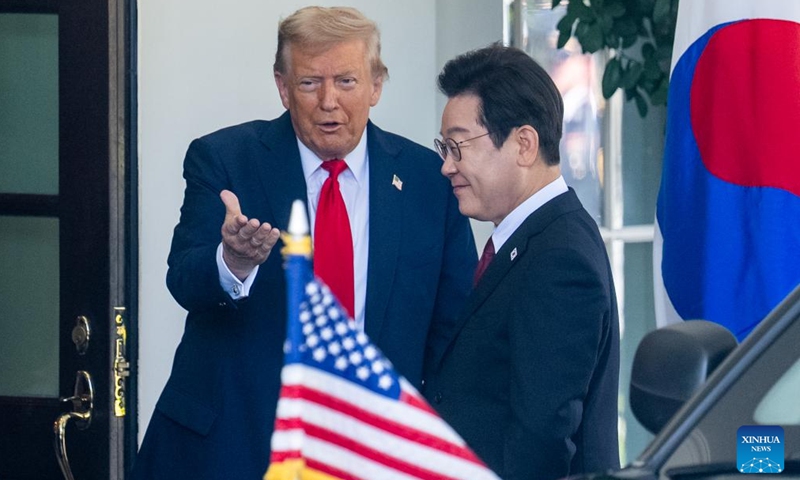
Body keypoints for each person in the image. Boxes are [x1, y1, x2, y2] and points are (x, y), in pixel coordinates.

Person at [131, 7, 476, 479]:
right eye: (310, 82)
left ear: (376, 85)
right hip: (235, 449)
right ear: (283, 87)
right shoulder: (226, 159)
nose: (328, 102)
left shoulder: (427, 182)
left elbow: (452, 335)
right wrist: (231, 261)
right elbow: (185, 279)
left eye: (347, 82)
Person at [423, 44, 620, 480]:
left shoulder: (560, 258)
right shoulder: (533, 238)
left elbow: (542, 437)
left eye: (457, 147)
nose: (446, 167)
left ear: (524, 144)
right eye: (444, 148)